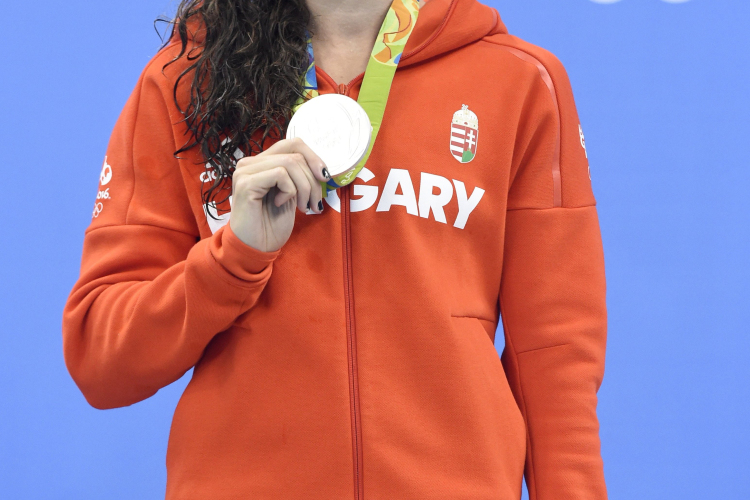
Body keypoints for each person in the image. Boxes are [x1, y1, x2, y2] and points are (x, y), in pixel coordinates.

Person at [63, 0, 609, 498]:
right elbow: (100, 357)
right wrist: (233, 261)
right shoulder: (188, 79)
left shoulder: (516, 80)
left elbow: (555, 361)